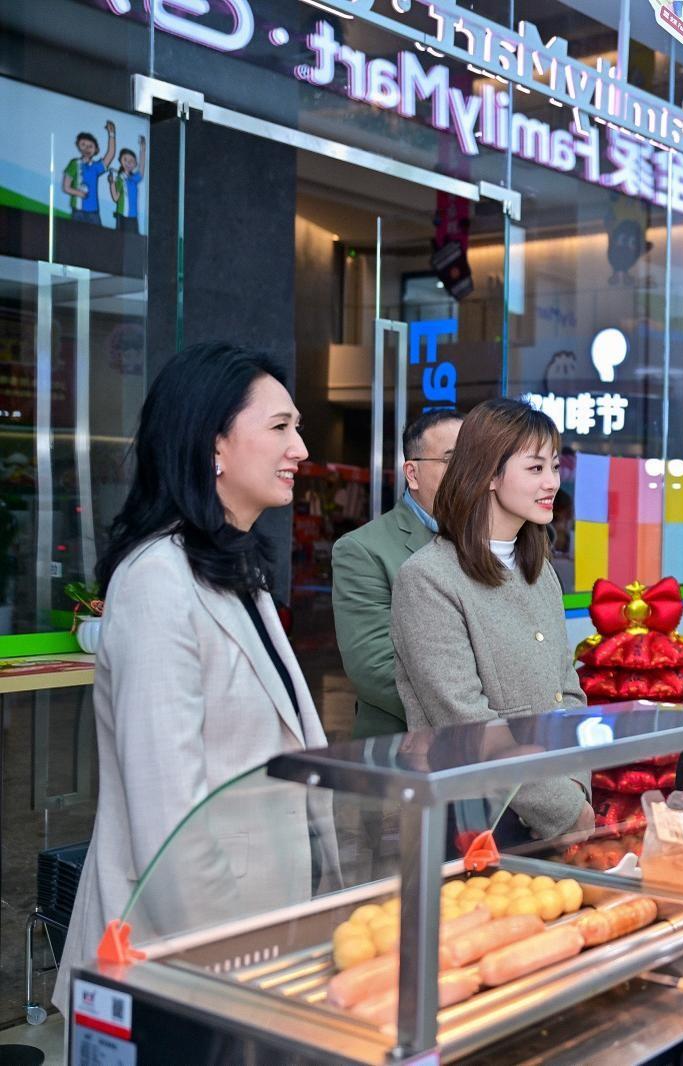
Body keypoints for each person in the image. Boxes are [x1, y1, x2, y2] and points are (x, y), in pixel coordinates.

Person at [53, 342, 332, 1016]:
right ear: (213, 445)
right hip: (186, 946)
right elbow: (167, 810)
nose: (300, 449)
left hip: (256, 928)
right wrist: (235, 962)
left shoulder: (233, 567)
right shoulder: (156, 580)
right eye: (279, 427)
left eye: (297, 428)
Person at [390, 398, 591, 841]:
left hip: (555, 806)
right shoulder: (428, 578)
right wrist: (563, 808)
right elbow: (465, 719)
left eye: (555, 467)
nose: (552, 482)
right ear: (488, 475)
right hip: (476, 819)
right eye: (535, 468)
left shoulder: (541, 573)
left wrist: (577, 786)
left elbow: (568, 691)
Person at [332, 409, 462, 739]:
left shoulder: (494, 542)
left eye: (475, 458)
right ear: (412, 473)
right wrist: (475, 716)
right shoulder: (362, 550)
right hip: (404, 749)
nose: (468, 471)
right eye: (452, 460)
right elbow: (376, 668)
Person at [62, 122, 115, 225]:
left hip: (93, 211)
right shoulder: (74, 163)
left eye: (90, 146)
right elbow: (66, 187)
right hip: (78, 210)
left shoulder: (96, 167)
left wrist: (112, 134)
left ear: (96, 150)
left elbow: (110, 155)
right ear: (78, 145)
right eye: (83, 145)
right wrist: (79, 193)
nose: (86, 149)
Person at [110, 134, 146, 234]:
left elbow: (142, 169)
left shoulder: (134, 178)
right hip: (121, 215)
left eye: (131, 161)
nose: (128, 163)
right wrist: (112, 182)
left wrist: (143, 149)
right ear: (120, 161)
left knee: (134, 238)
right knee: (119, 238)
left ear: (135, 164)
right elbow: (115, 197)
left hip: (133, 216)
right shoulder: (119, 178)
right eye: (125, 160)